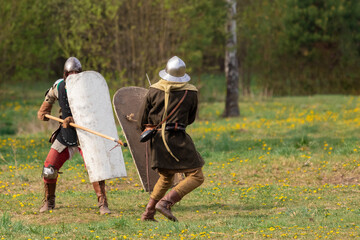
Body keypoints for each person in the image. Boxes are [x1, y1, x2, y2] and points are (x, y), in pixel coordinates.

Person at [37, 57, 111, 215]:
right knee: (49, 168)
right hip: (65, 134)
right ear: (65, 74)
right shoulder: (59, 86)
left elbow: (97, 112)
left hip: (85, 134)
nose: (73, 76)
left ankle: (102, 203)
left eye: (76, 73)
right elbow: (49, 97)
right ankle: (49, 201)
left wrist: (75, 119)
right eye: (70, 73)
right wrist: (44, 110)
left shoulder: (90, 89)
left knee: (95, 169)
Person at [138, 56, 205, 222]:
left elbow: (142, 120)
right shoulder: (191, 92)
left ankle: (148, 213)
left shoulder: (153, 90)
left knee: (166, 176)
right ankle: (166, 203)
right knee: (196, 175)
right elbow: (190, 119)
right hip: (177, 139)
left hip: (157, 141)